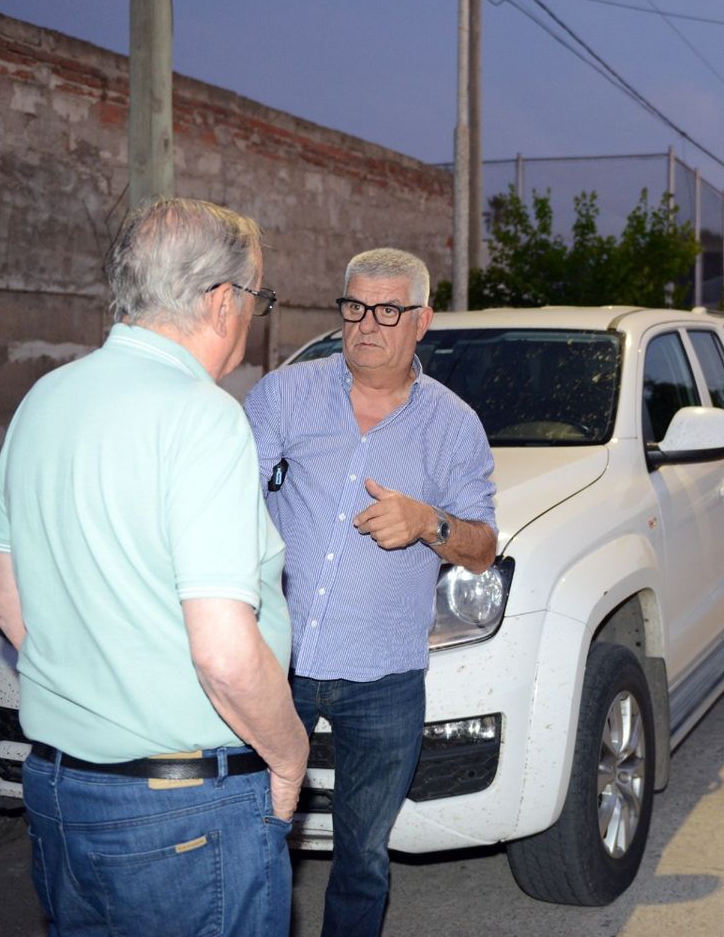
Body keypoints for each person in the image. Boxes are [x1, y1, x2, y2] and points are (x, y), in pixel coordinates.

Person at [0, 197, 310, 936]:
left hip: (63, 795)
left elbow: (7, 602)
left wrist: (100, 682)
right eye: (256, 298)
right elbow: (226, 655)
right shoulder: (204, 415)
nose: (252, 316)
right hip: (184, 812)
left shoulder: (42, 401)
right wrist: (289, 757)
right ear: (222, 300)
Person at [244, 247, 497, 936]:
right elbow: (228, 495)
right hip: (276, 659)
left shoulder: (453, 425)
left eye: (387, 310)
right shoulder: (283, 394)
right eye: (354, 306)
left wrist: (426, 521)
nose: (366, 324)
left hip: (384, 677)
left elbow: (482, 546)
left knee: (361, 854)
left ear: (422, 320)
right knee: (252, 834)